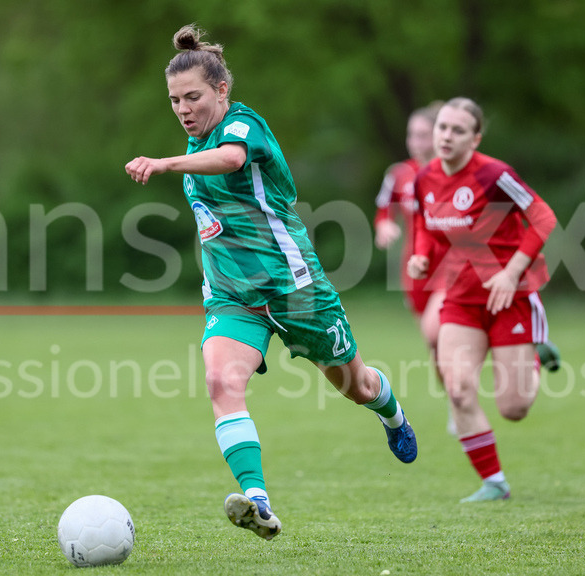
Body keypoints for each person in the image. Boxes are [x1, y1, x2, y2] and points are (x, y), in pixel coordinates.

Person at [125, 24, 417, 540]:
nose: (183, 109)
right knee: (221, 381)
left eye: (192, 97)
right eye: (174, 100)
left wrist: (167, 162)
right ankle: (257, 500)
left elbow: (233, 160)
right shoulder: (196, 145)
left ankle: (391, 415)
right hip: (234, 297)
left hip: (296, 290)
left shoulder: (242, 125)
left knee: (358, 386)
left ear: (221, 91)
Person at [407, 97, 558, 502]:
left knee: (514, 407)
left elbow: (543, 217)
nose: (447, 136)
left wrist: (512, 272)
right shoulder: (425, 179)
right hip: (460, 298)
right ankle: (494, 482)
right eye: (442, 127)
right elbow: (425, 222)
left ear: (475, 138)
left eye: (458, 130)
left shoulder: (494, 175)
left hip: (509, 297)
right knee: (457, 389)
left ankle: (534, 354)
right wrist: (422, 254)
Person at [373, 103, 449, 415]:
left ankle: (462, 397)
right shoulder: (399, 174)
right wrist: (384, 226)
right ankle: (457, 401)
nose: (416, 142)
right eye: (411, 135)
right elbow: (383, 211)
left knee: (438, 332)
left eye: (423, 135)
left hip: (453, 266)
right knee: (435, 344)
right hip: (416, 268)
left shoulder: (454, 172)